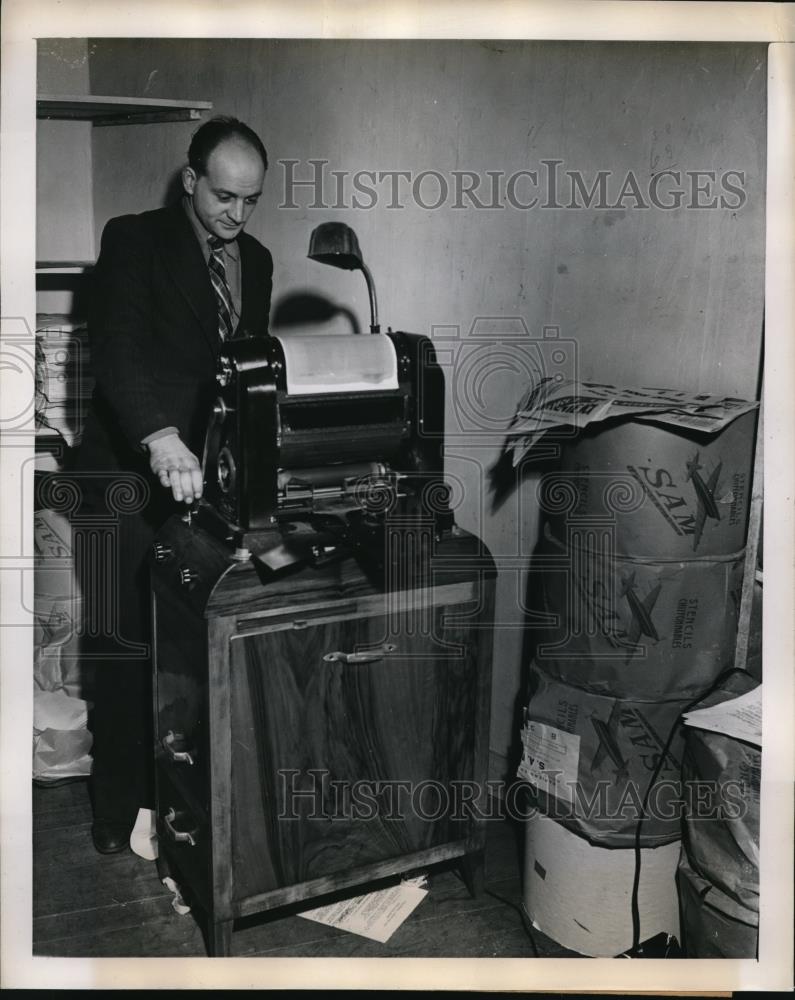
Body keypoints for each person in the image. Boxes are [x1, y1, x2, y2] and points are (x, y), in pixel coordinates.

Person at [74, 116, 273, 853]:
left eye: (250, 200)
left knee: (189, 647)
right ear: (190, 180)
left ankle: (183, 804)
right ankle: (115, 807)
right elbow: (118, 351)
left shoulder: (257, 259)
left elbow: (243, 381)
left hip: (203, 485)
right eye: (223, 195)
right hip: (129, 473)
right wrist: (160, 437)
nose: (235, 214)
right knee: (125, 643)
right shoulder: (134, 239)